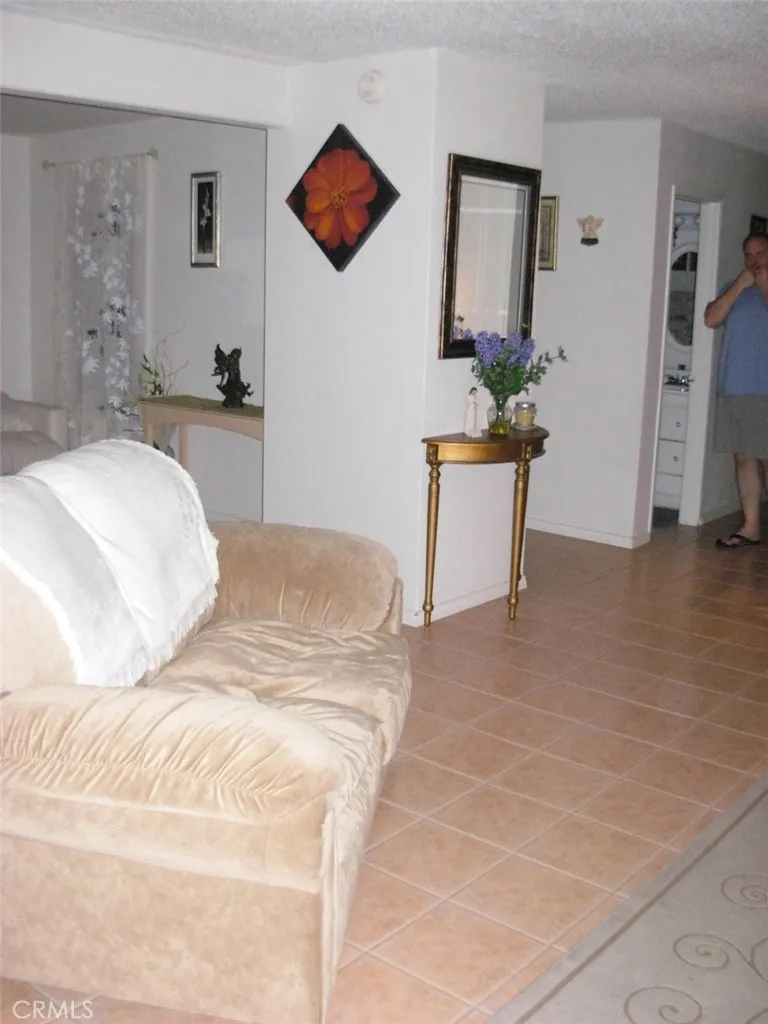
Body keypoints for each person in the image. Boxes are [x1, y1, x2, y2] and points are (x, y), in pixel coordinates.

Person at [704, 232, 768, 547]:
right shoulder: (735, 287)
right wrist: (740, 285)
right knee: (743, 458)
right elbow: (711, 319)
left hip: (764, 387)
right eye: (748, 254)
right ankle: (750, 526)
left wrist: (763, 282)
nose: (753, 260)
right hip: (734, 386)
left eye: (760, 253)